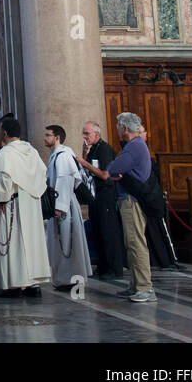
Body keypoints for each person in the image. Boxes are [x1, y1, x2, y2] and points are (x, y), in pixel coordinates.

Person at [78, 112, 155, 302]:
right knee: (131, 243)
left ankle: (145, 288)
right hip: (128, 197)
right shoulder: (134, 146)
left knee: (136, 244)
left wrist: (88, 162)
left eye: (119, 125)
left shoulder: (134, 147)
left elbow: (111, 169)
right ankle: (136, 285)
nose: (117, 128)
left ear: (126, 128)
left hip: (132, 200)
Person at [0, 116, 50, 297]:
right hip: (30, 202)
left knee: (12, 244)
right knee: (30, 244)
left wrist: (0, 199)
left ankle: (14, 284)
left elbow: (3, 179)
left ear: (5, 133)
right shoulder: (31, 150)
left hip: (10, 205)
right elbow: (42, 173)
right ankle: (33, 284)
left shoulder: (6, 154)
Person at [43, 124, 92, 290]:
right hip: (61, 203)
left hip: (64, 205)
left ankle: (70, 279)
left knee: (67, 242)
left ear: (57, 138)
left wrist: (60, 207)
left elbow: (65, 180)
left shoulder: (63, 156)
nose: (45, 138)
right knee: (62, 242)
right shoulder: (57, 155)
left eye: (48, 135)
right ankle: (64, 277)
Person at [79, 122, 123, 279]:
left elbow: (104, 174)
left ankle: (114, 268)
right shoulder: (92, 150)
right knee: (97, 230)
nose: (84, 137)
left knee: (108, 232)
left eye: (87, 133)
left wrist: (84, 162)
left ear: (96, 134)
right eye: (84, 133)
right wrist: (84, 155)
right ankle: (103, 266)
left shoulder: (104, 149)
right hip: (95, 196)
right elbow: (88, 171)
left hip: (106, 195)